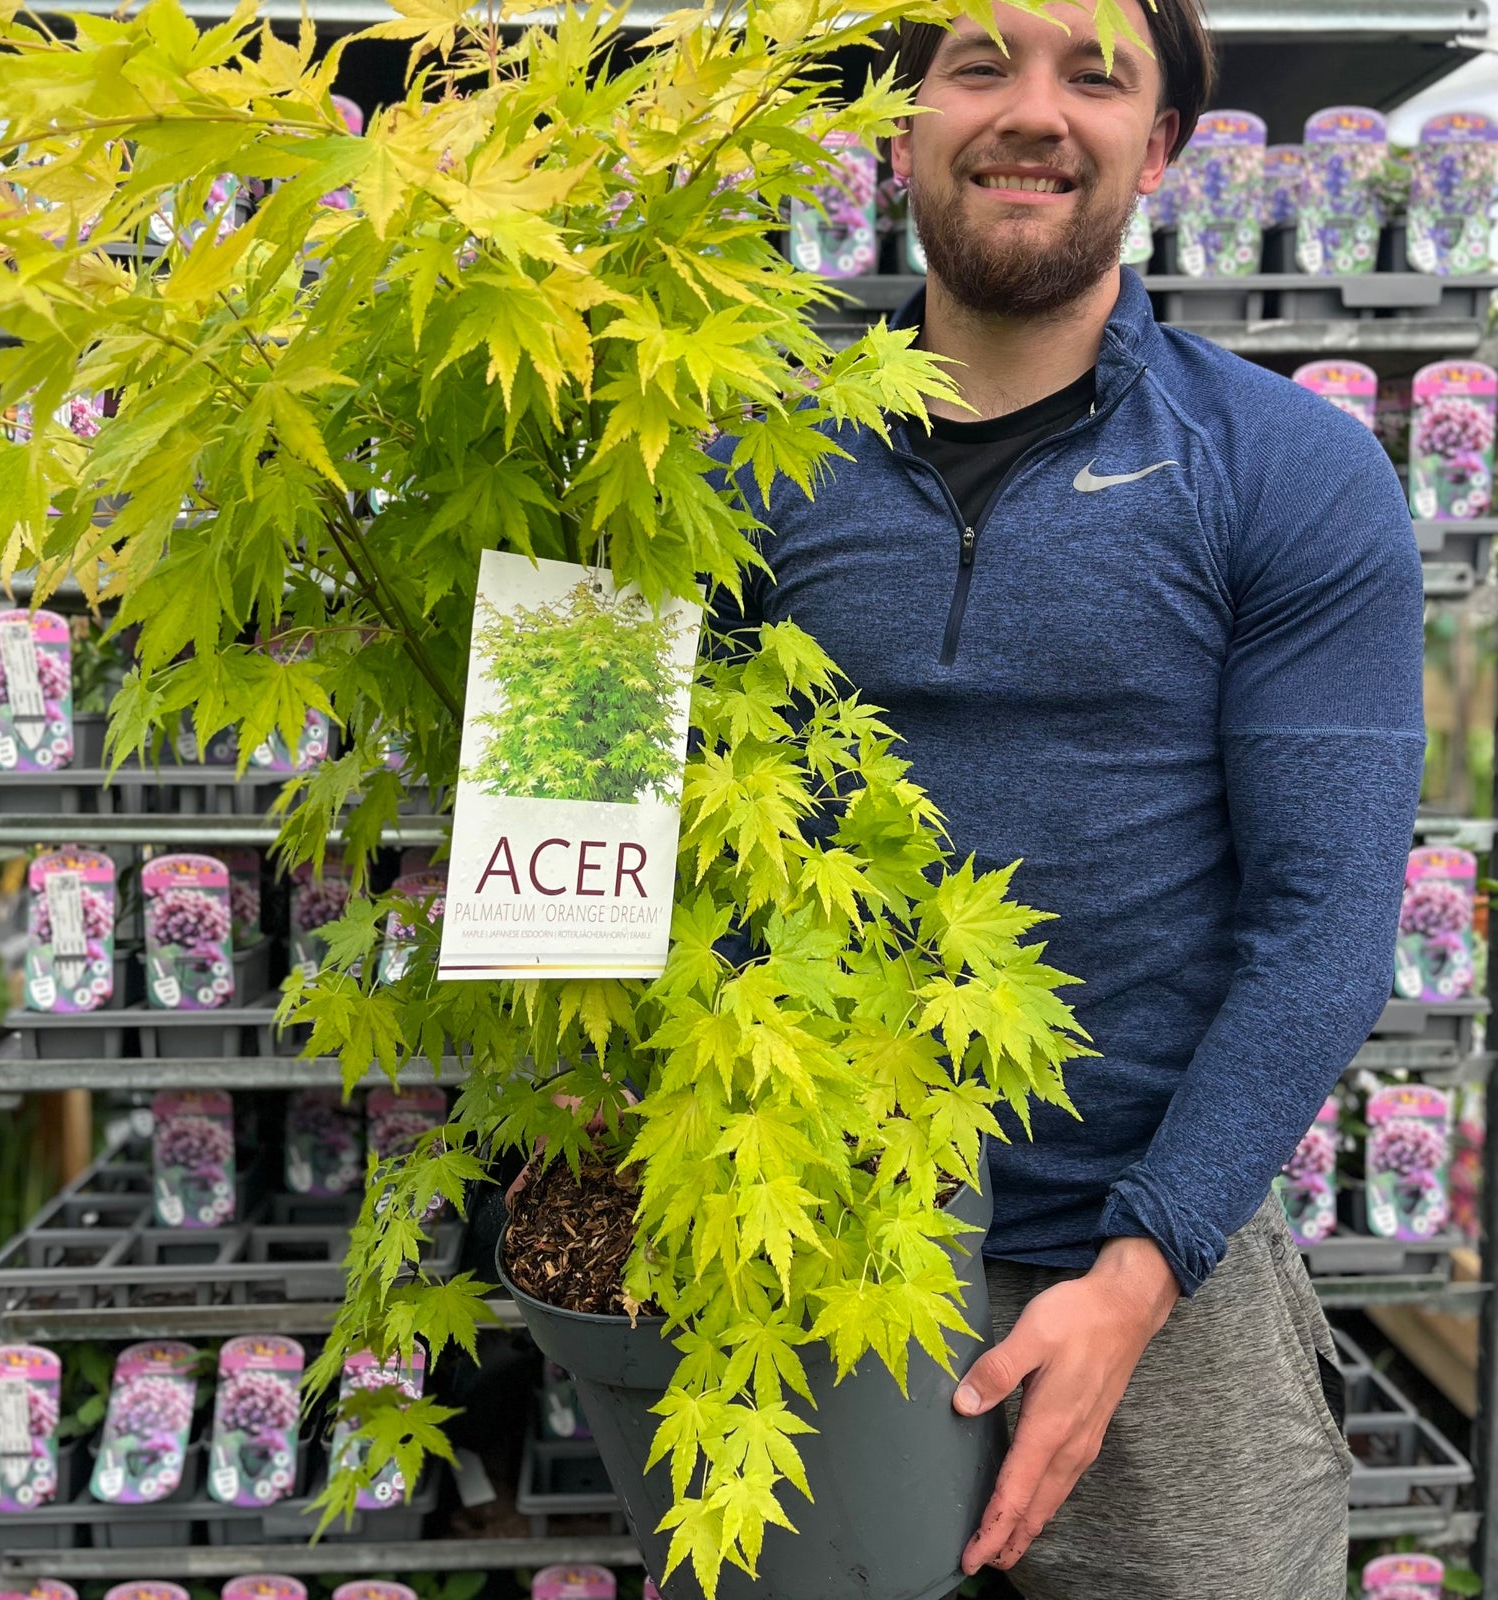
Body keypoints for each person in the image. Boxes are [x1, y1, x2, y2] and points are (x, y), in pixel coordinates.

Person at [711, 1, 1426, 1595]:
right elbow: (587, 850)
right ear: (899, 131)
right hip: (799, 1235)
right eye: (982, 64)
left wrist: (1135, 1273)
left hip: (1155, 1247)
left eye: (1094, 76)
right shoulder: (725, 466)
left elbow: (1324, 924)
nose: (1034, 110)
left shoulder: (1292, 470)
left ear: (1159, 148)